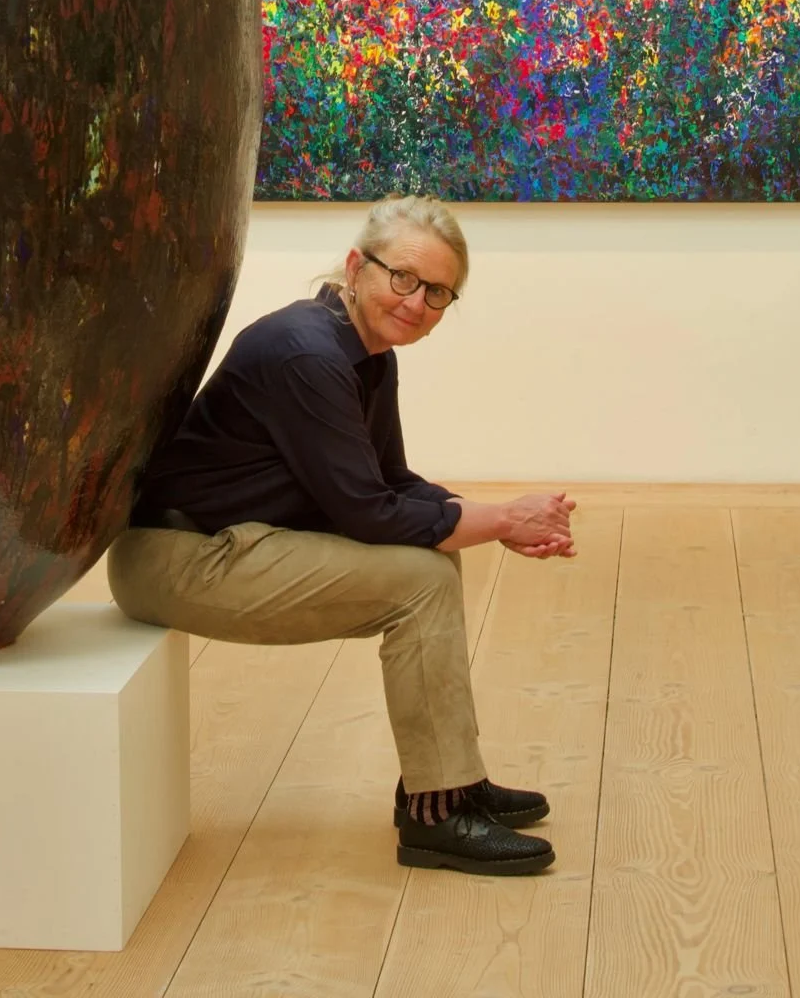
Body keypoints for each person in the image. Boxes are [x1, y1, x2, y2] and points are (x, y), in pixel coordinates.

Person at [109, 194, 577, 876]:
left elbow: (386, 481)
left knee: (432, 566)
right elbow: (370, 514)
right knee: (420, 581)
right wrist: (502, 517)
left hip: (231, 542)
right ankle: (438, 814)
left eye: (439, 292)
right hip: (179, 558)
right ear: (357, 266)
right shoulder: (308, 354)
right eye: (403, 278)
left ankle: (447, 781)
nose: (417, 302)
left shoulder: (367, 352)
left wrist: (490, 520)